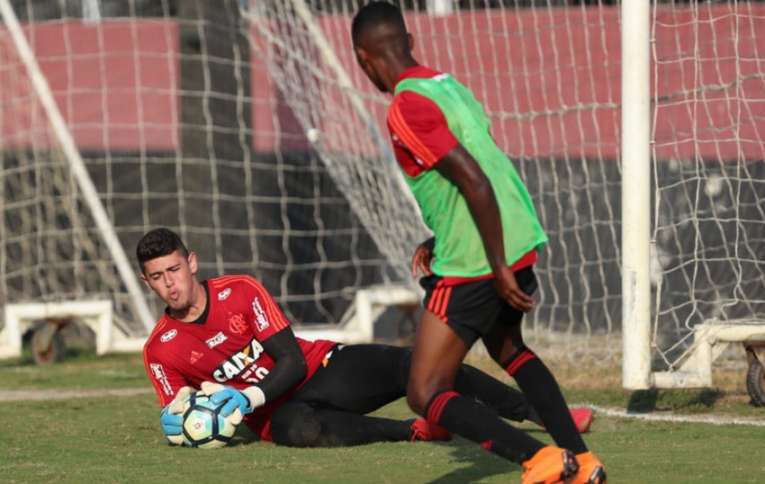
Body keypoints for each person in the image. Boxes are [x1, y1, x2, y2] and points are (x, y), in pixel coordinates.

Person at [351, 3, 605, 483]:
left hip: (476, 260)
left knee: (425, 390)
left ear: (364, 59)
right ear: (411, 40)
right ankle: (583, 460)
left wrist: (493, 264)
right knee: (509, 349)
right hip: (517, 237)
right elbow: (477, 172)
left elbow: (475, 181)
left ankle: (542, 458)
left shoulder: (406, 106)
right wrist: (444, 234)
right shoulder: (447, 86)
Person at [139, 228, 592, 449]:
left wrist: (244, 398)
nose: (169, 283)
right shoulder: (160, 349)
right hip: (279, 414)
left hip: (321, 370)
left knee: (414, 366)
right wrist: (178, 422)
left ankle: (541, 413)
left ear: (192, 263)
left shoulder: (239, 292)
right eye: (157, 277)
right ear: (148, 283)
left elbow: (292, 362)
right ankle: (413, 431)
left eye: (174, 270)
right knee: (302, 429)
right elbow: (177, 406)